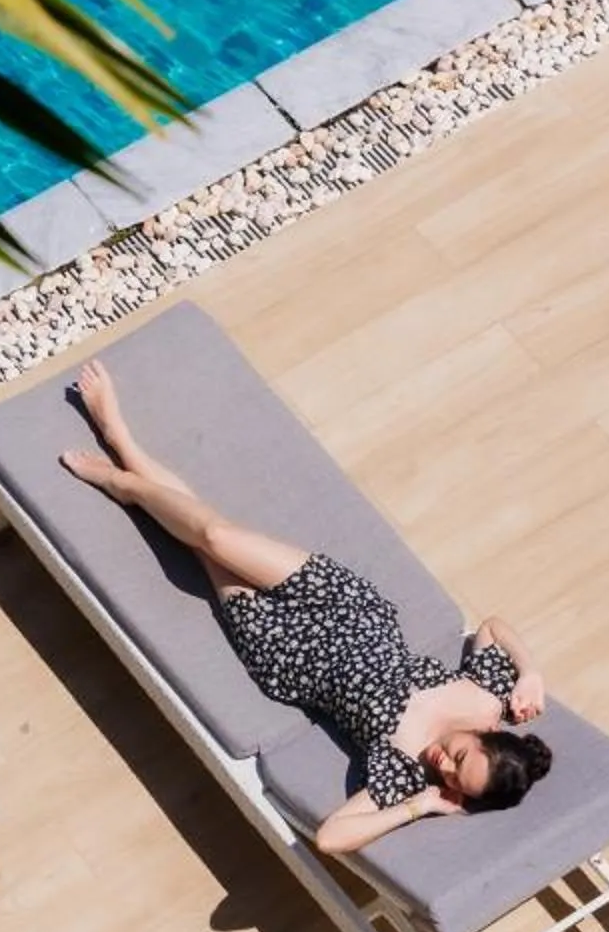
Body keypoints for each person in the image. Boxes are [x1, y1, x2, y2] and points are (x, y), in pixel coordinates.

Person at [57, 359, 551, 856]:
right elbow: (493, 627)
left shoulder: (406, 774)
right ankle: (122, 466)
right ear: (487, 733)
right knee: (216, 534)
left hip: (291, 655)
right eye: (460, 756)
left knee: (202, 545)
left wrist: (419, 806)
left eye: (456, 780)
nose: (444, 764)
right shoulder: (488, 697)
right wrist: (530, 673)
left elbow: (331, 837)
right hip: (346, 606)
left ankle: (125, 458)